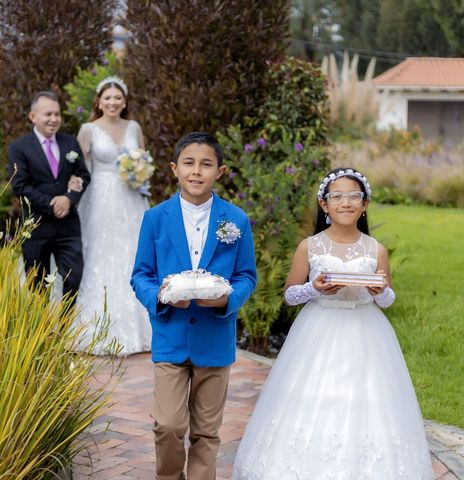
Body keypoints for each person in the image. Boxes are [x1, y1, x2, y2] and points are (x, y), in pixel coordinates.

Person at [232, 168, 433, 480]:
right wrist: (315, 289)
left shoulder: (375, 249)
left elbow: (388, 299)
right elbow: (290, 295)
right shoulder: (310, 247)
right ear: (324, 205)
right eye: (337, 196)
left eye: (354, 196)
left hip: (367, 333)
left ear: (365, 204)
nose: (346, 202)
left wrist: (379, 291)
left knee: (370, 400)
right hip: (319, 329)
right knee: (314, 397)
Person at [131, 132, 257, 480]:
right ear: (174, 169)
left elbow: (247, 276)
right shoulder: (156, 218)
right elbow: (140, 275)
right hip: (171, 333)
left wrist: (227, 299)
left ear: (220, 170)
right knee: (168, 425)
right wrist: (159, 295)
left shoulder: (236, 220)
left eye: (206, 164)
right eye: (189, 163)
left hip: (215, 338)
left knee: (206, 431)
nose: (197, 171)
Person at [69, 76, 151, 355]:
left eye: (118, 98)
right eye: (108, 98)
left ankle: (142, 329)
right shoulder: (88, 129)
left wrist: (140, 174)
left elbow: (144, 157)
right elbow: (80, 169)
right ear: (99, 101)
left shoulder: (134, 127)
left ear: (125, 101)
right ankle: (97, 328)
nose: (113, 102)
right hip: (101, 198)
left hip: (131, 197)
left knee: (133, 253)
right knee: (101, 255)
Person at [7, 91, 91, 298]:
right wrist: (51, 204)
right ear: (33, 117)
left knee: (73, 277)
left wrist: (69, 198)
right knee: (37, 286)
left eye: (57, 114)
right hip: (36, 226)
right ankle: (42, 329)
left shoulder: (69, 142)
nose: (54, 119)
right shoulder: (19, 148)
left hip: (68, 226)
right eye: (48, 114)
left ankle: (63, 327)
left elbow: (83, 175)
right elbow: (19, 185)